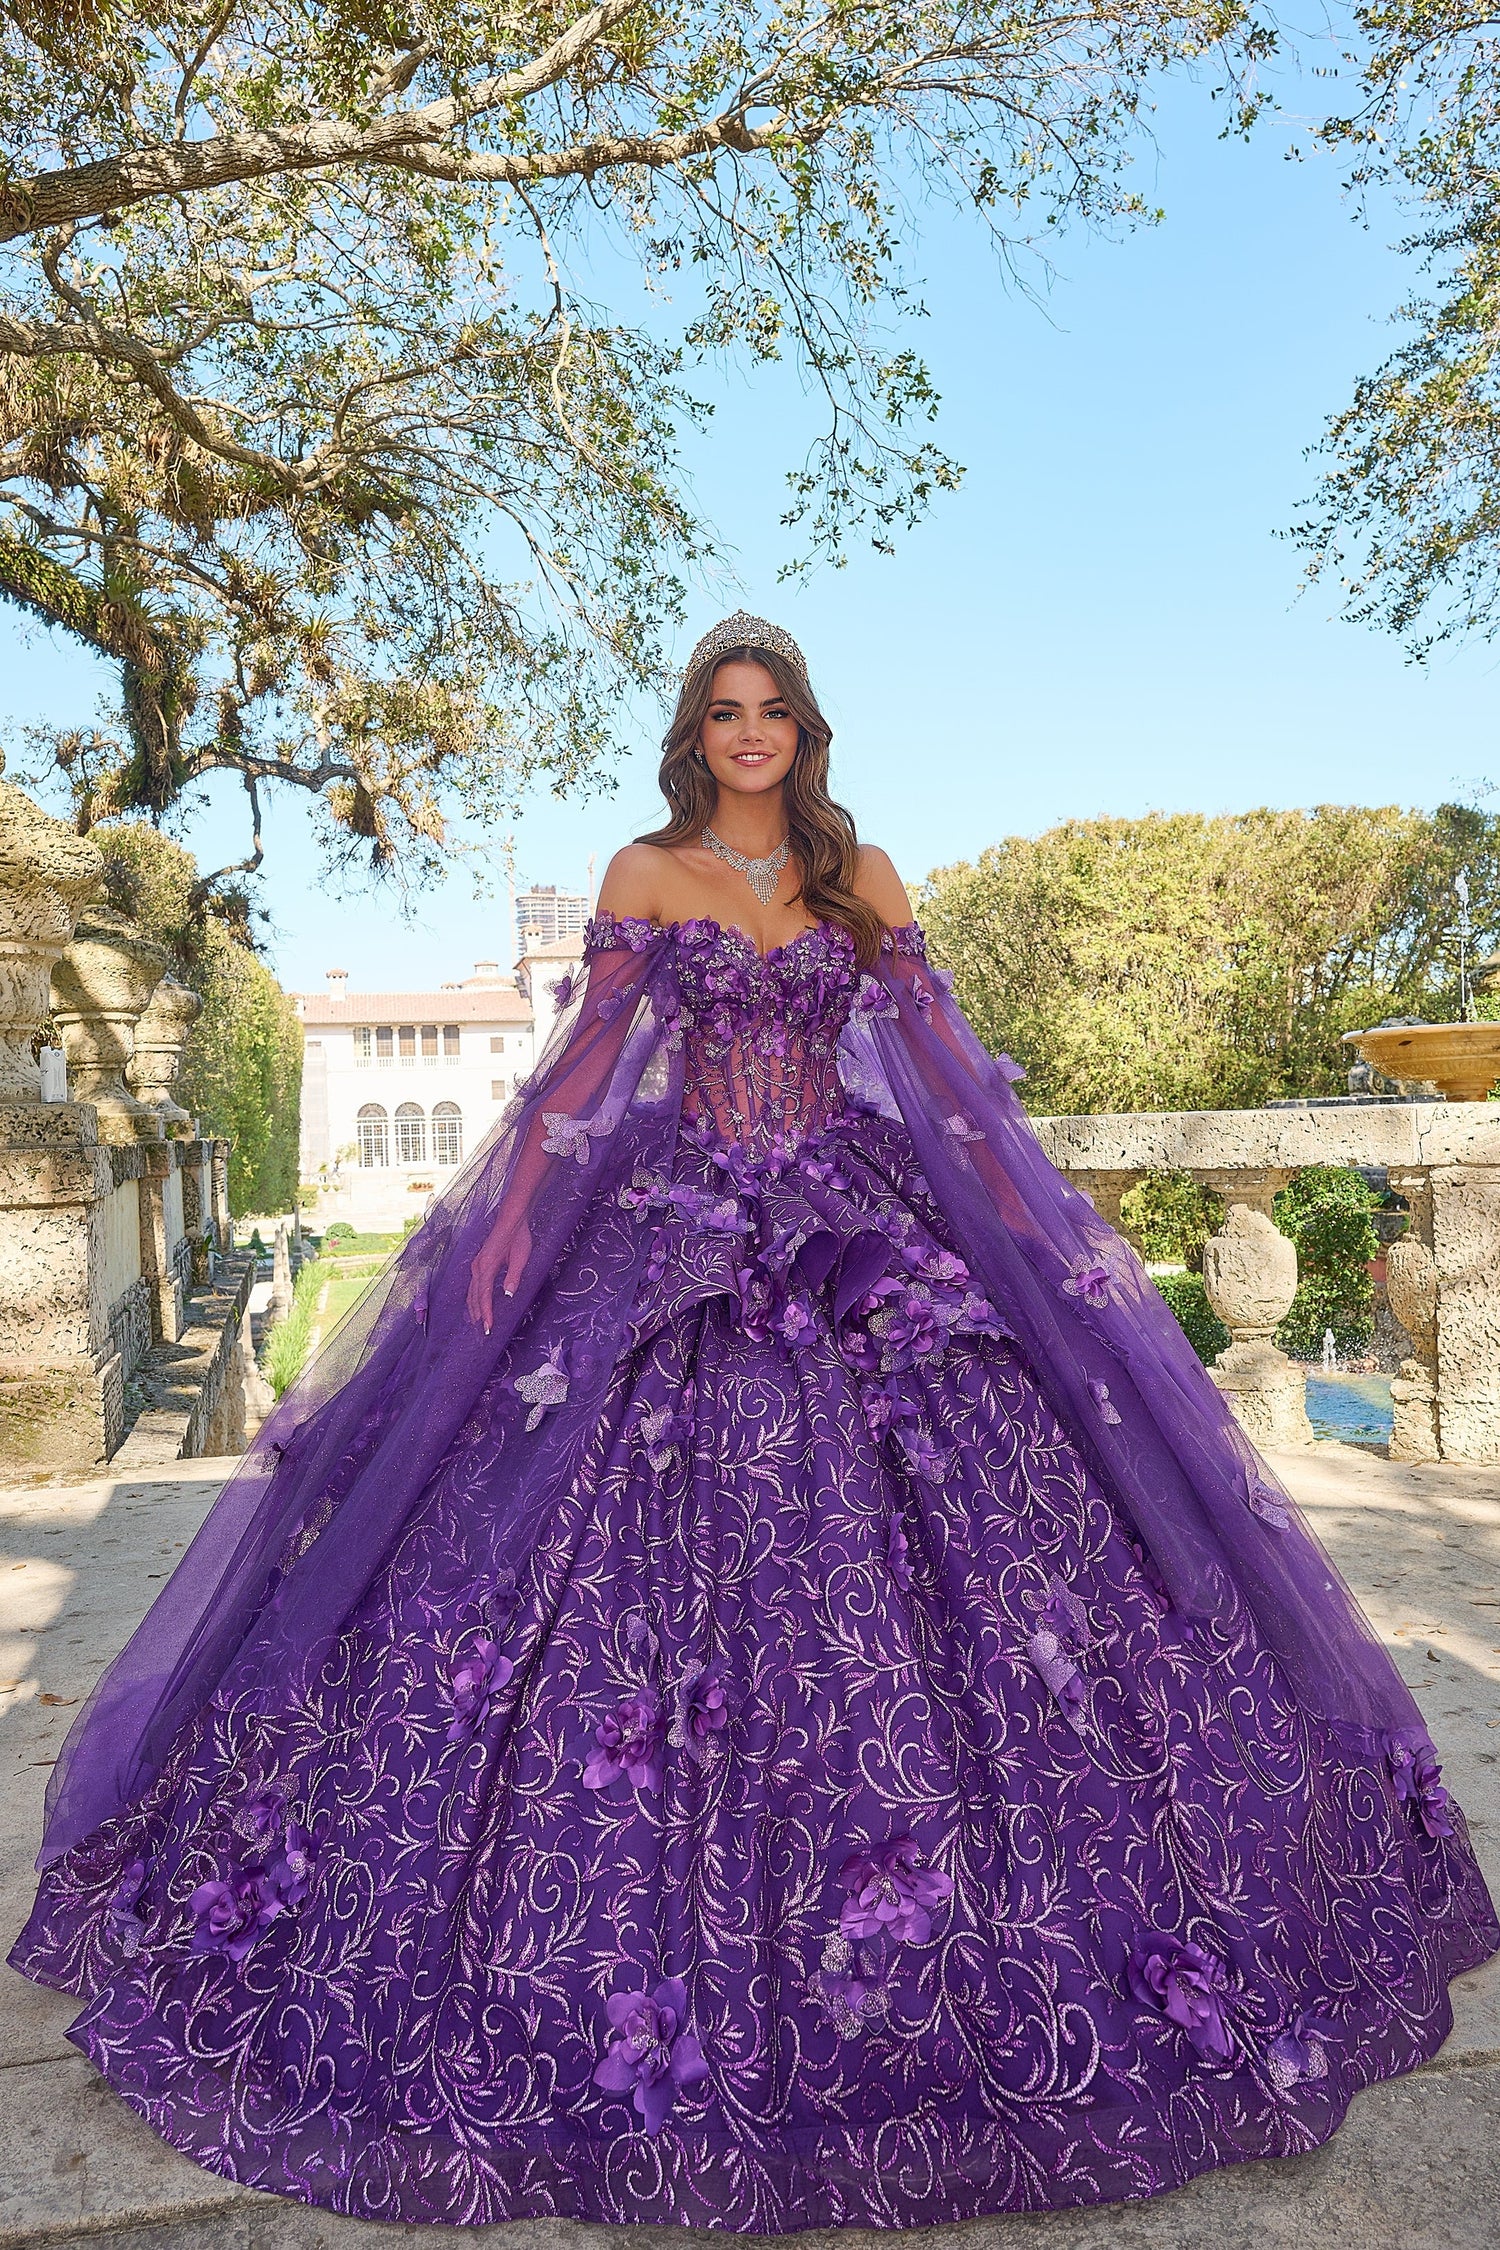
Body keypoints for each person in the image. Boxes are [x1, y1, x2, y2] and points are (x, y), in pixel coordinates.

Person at [11, 615, 1497, 2231]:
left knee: (991, 1559)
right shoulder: (643, 876)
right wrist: (504, 1246)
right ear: (694, 731)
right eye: (724, 710)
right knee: (532, 1569)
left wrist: (1034, 1246)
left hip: (851, 1225)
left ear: (805, 728)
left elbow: (944, 1087)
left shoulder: (868, 882)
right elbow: (580, 1086)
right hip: (672, 1238)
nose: (749, 732)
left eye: (772, 708)